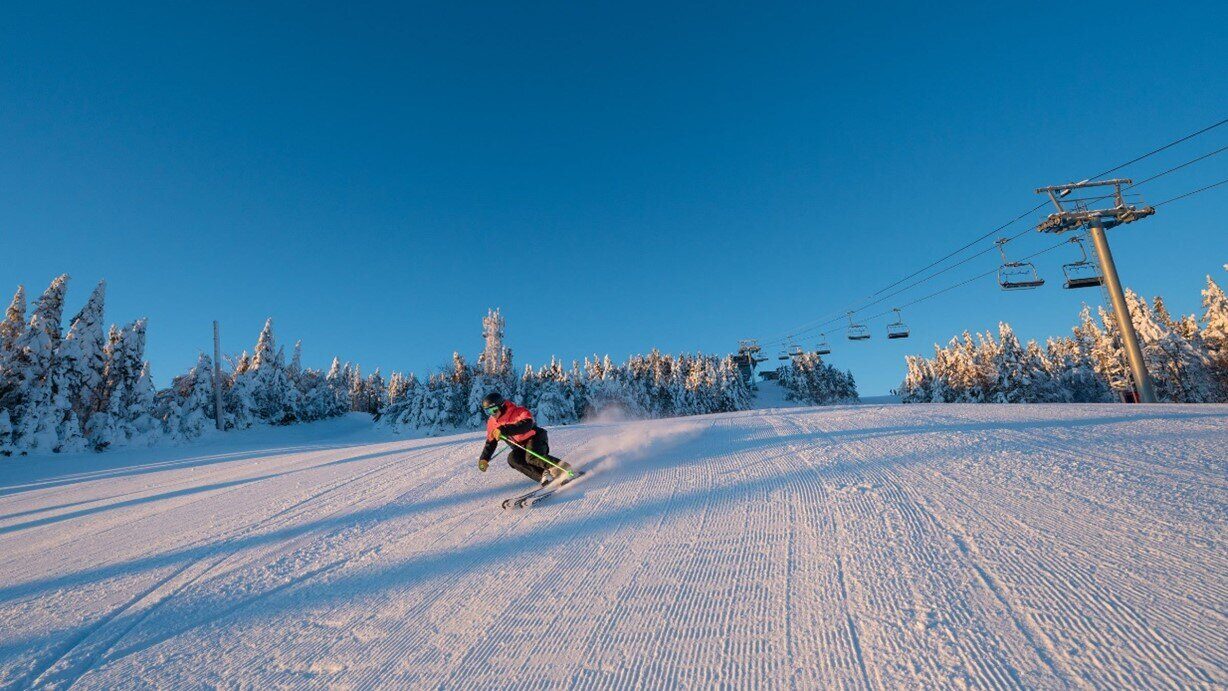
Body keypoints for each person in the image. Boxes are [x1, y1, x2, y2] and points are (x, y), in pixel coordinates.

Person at [477, 391, 572, 485]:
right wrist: (484, 459)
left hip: (535, 438)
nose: (492, 414)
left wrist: (504, 430)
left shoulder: (518, 411)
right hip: (519, 446)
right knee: (513, 459)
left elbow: (527, 425)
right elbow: (491, 442)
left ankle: (564, 468)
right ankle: (544, 475)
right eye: (487, 411)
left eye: (493, 410)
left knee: (531, 457)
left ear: (501, 406)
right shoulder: (492, 422)